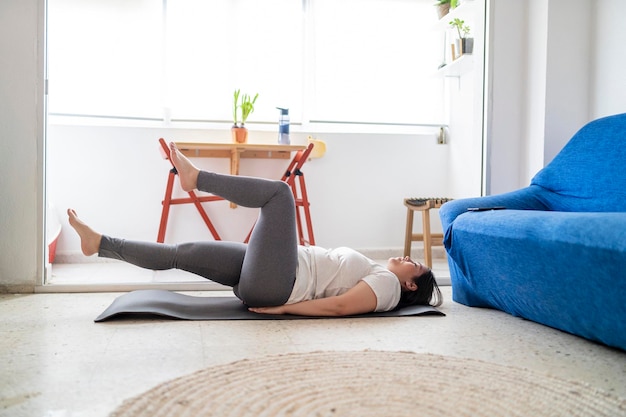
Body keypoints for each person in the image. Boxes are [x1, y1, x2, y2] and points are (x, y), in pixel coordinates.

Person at [67, 142, 442, 316]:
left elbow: (342, 306)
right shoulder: (382, 273)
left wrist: (284, 311)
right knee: (181, 253)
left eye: (416, 266)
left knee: (279, 195)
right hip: (268, 273)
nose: (409, 259)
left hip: (279, 284)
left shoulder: (388, 286)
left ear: (411, 284)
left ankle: (196, 177)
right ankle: (98, 243)